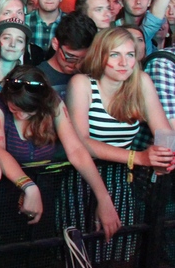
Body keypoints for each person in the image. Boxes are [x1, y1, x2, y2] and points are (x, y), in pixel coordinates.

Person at [0, 66, 121, 240]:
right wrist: (29, 187)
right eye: (14, 108)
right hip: (2, 194)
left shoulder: (53, 102)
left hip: (46, 191)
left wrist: (104, 198)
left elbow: (76, 149)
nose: (21, 115)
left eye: (29, 110)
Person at [66, 27, 175, 176]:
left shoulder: (141, 81)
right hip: (83, 176)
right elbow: (81, 142)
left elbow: (165, 133)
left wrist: (164, 159)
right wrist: (138, 157)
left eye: (130, 55)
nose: (124, 62)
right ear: (99, 56)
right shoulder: (82, 83)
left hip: (122, 177)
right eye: (115, 55)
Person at [37, 12, 96, 100]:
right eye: (70, 57)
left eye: (83, 58)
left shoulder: (92, 75)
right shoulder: (37, 77)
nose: (76, 64)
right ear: (55, 44)